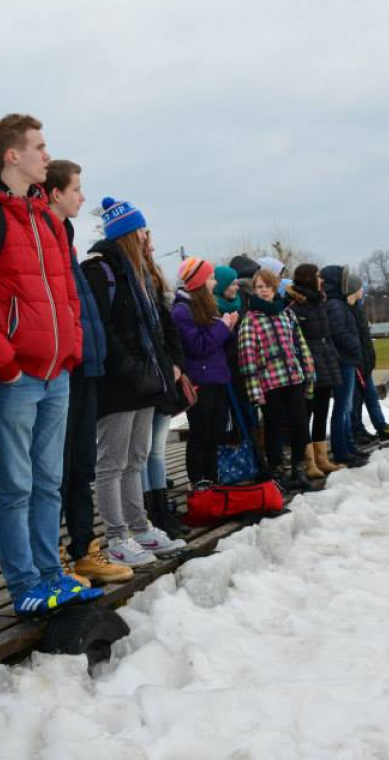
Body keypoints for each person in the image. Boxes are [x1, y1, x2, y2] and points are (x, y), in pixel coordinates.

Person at [0, 114, 101, 617]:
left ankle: (49, 572)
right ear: (12, 155)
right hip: (14, 377)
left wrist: (72, 348)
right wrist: (4, 364)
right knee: (15, 484)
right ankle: (23, 584)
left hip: (56, 371)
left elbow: (68, 294)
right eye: (39, 146)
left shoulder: (47, 220)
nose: (46, 154)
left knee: (49, 480)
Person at [83, 198, 186, 566]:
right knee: (112, 462)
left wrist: (168, 364)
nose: (147, 236)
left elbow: (159, 326)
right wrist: (130, 368)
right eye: (142, 230)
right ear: (129, 233)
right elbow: (102, 328)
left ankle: (140, 527)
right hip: (119, 383)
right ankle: (116, 536)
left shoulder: (141, 273)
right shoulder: (100, 271)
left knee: (137, 459)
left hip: (145, 381)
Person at [42, 160, 130, 585]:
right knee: (57, 468)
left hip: (85, 362)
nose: (82, 197)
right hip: (64, 365)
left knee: (82, 466)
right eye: (76, 189)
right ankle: (52, 553)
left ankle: (83, 549)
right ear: (55, 193)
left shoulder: (66, 235)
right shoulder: (42, 231)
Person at [238, 269, 317, 490]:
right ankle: (277, 471)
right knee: (273, 428)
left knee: (299, 424)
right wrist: (255, 391)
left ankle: (298, 468)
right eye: (259, 287)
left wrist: (308, 373)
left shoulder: (286, 314)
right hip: (269, 382)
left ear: (275, 288)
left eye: (267, 286)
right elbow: (247, 357)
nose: (263, 291)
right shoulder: (250, 320)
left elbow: (300, 345)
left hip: (292, 378)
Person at [172, 257, 238, 484]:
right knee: (200, 433)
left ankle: (213, 478)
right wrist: (222, 327)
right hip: (200, 380)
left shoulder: (207, 305)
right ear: (199, 282)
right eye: (210, 278)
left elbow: (216, 343)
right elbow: (198, 346)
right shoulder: (182, 311)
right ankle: (198, 481)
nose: (214, 283)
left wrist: (228, 328)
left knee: (215, 433)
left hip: (217, 376)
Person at [139, 233, 187, 539]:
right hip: (147, 376)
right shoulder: (134, 278)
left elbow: (167, 326)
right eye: (147, 240)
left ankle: (160, 505)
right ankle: (147, 510)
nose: (153, 246)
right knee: (143, 452)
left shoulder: (152, 278)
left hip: (163, 373)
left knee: (155, 450)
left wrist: (176, 362)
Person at [285, 263, 344, 478]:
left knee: (322, 412)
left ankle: (322, 458)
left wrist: (333, 355)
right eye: (317, 276)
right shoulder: (295, 306)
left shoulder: (320, 302)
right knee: (306, 413)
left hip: (326, 359)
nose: (321, 279)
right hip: (309, 365)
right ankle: (308, 461)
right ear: (309, 278)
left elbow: (326, 334)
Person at [320, 265, 369, 467]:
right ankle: (341, 450)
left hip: (347, 360)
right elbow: (339, 332)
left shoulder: (338, 303)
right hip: (343, 361)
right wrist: (356, 346)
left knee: (345, 408)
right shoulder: (335, 305)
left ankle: (347, 446)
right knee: (342, 408)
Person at [349, 287, 389, 446]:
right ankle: (357, 431)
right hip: (357, 364)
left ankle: (380, 427)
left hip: (365, 363)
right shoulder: (348, 310)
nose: (362, 292)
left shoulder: (358, 308)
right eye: (360, 288)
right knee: (356, 401)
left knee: (371, 398)